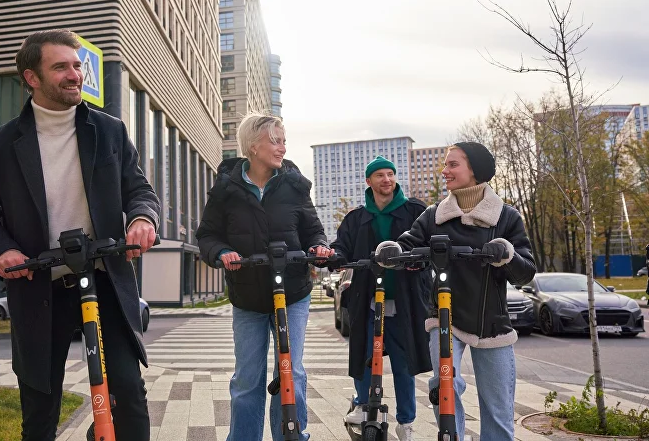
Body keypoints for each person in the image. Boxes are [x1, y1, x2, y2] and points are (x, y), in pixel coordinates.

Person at [0, 29, 161, 441]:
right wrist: (2, 251)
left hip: (104, 278)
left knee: (130, 395)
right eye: (61, 67)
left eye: (76, 65)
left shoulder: (109, 130)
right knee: (39, 407)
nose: (74, 75)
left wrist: (142, 218)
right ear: (32, 78)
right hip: (39, 286)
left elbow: (139, 190)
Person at [377, 142, 536, 441]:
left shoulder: (506, 217)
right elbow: (408, 244)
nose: (444, 170)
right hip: (444, 317)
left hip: (492, 322)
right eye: (445, 164)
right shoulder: (434, 216)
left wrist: (507, 254)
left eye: (452, 165)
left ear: (474, 170)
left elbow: (526, 271)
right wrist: (394, 251)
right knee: (443, 385)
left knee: (498, 410)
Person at [195, 113, 332, 441]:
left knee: (292, 373)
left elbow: (313, 228)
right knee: (247, 380)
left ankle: (291, 436)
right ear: (253, 147)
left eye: (283, 140)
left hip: (294, 290)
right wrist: (221, 252)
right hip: (248, 296)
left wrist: (320, 246)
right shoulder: (226, 189)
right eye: (275, 140)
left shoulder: (294, 185)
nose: (282, 147)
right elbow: (208, 236)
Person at [331, 156, 432, 441]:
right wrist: (336, 258)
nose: (386, 179)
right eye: (380, 175)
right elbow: (342, 246)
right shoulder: (356, 218)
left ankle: (406, 421)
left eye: (390, 174)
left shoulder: (415, 211)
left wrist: (419, 261)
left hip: (405, 300)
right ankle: (362, 406)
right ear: (369, 181)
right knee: (363, 352)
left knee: (403, 362)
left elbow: (428, 243)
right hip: (367, 299)